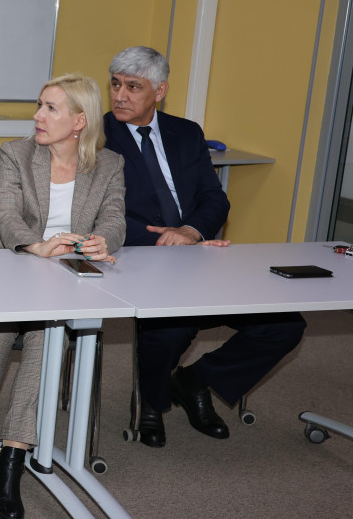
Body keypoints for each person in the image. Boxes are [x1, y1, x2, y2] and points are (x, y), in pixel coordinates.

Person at [103, 46, 306, 448]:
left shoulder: (186, 132)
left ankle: (195, 380)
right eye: (115, 84)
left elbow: (215, 199)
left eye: (133, 87)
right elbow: (97, 212)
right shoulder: (97, 135)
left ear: (160, 91)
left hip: (197, 252)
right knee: (172, 325)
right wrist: (165, 239)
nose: (120, 95)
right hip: (135, 255)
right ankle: (152, 401)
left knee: (284, 326)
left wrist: (192, 231)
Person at [0, 74, 125, 519]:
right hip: (4, 261)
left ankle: (11, 458)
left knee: (48, 338)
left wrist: (102, 240)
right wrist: (37, 245)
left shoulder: (109, 165)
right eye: (39, 105)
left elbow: (114, 218)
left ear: (79, 122)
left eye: (50, 108)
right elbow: (6, 213)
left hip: (61, 277)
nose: (37, 116)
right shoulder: (17, 153)